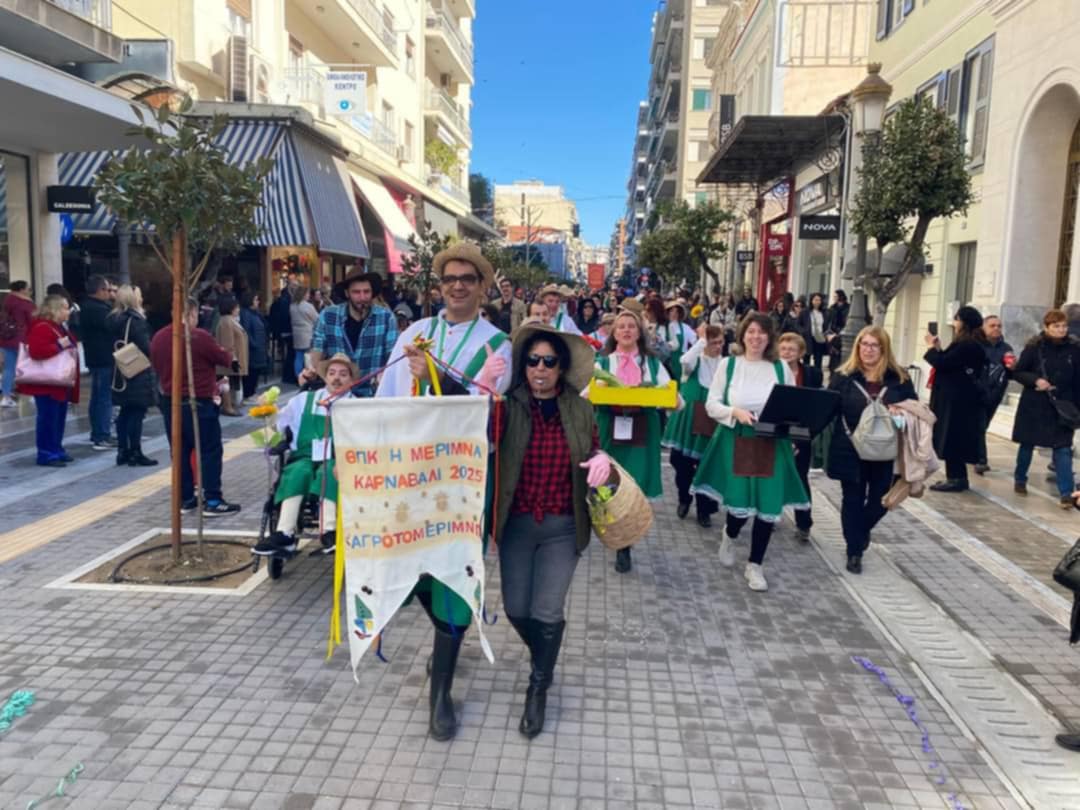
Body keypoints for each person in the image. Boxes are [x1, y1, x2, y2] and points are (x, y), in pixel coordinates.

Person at [376, 242, 512, 742]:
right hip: (414, 474)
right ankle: (443, 645)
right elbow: (386, 399)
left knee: (456, 574)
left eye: (467, 279)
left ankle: (441, 692)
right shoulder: (413, 335)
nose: (457, 286)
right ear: (439, 286)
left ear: (482, 287)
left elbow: (486, 410)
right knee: (413, 568)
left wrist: (435, 377)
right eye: (449, 279)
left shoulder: (499, 345)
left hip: (463, 478)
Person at [495, 321, 609, 738]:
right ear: (523, 366)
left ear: (561, 368)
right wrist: (486, 391)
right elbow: (478, 441)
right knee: (515, 609)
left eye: (549, 362)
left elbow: (593, 447)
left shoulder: (580, 408)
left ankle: (538, 686)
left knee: (547, 610)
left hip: (563, 524)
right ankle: (545, 654)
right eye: (532, 361)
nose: (540, 369)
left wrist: (602, 459)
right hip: (517, 523)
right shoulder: (506, 406)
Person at [691, 313, 807, 592]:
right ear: (743, 335)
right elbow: (712, 404)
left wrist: (792, 435)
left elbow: (792, 406)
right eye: (751, 331)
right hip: (737, 439)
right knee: (740, 505)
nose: (756, 337)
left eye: (762, 332)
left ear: (770, 337)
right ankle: (730, 534)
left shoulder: (781, 368)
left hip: (771, 443)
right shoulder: (729, 365)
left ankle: (755, 565)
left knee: (767, 505)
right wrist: (735, 412)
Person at [827, 325, 916, 573]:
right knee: (852, 499)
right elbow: (828, 409)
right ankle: (854, 551)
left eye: (874, 345)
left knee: (881, 500)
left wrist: (900, 413)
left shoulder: (899, 379)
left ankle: (861, 530)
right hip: (850, 447)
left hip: (885, 450)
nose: (868, 350)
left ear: (884, 349)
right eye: (863, 344)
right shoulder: (844, 377)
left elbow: (914, 409)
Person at [253, 353, 359, 557]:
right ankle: (285, 533)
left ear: (351, 380)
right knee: (297, 471)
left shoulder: (356, 406)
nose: (336, 378)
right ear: (325, 376)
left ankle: (329, 531)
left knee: (329, 473)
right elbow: (279, 425)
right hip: (304, 455)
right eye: (332, 373)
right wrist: (267, 410)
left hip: (337, 459)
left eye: (343, 374)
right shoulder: (304, 400)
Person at [593, 308, 674, 573]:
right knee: (609, 484)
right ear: (613, 333)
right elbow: (586, 393)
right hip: (610, 428)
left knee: (634, 486)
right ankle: (611, 533)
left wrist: (667, 398)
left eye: (631, 326)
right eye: (621, 326)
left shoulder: (653, 364)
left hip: (643, 429)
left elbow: (673, 396)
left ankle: (624, 546)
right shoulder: (602, 364)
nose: (626, 330)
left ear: (639, 333)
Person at [150, 298, 241, 516]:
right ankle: (213, 499)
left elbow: (156, 365)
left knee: (179, 452)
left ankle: (185, 499)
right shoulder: (198, 336)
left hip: (170, 402)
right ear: (191, 313)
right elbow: (224, 358)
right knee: (209, 450)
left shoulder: (159, 338)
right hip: (199, 401)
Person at [1011, 309, 1080, 505]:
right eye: (1056, 326)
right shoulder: (1035, 347)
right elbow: (1019, 372)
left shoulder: (1074, 349)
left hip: (1063, 406)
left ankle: (1066, 493)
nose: (1061, 330)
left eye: (1064, 326)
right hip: (1036, 404)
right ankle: (1020, 478)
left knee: (1063, 448)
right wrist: (1035, 380)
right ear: (1046, 327)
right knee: (1027, 444)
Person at [662, 324, 724, 527]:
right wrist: (701, 341)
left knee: (707, 465)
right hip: (689, 419)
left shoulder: (725, 364)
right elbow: (684, 361)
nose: (717, 346)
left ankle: (704, 509)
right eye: (713, 342)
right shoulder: (695, 361)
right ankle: (684, 497)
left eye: (720, 342)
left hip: (712, 418)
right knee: (681, 462)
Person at [924, 306, 987, 492]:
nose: (954, 323)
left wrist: (930, 348)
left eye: (957, 319)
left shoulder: (968, 344)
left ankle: (956, 479)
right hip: (956, 397)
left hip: (958, 400)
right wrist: (938, 348)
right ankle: (956, 477)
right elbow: (949, 361)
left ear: (964, 322)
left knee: (952, 438)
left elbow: (943, 363)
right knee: (951, 437)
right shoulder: (966, 343)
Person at [305, 271, 398, 398]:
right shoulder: (328, 315)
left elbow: (392, 355)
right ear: (347, 293)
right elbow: (318, 348)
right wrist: (313, 370)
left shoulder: (386, 317)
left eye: (366, 292)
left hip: (372, 393)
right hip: (337, 393)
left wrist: (385, 374)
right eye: (356, 292)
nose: (362, 297)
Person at [17, 295, 79, 466]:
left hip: (58, 381)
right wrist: (59, 346)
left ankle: (56, 449)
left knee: (57, 417)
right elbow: (37, 351)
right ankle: (46, 453)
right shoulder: (42, 327)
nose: (68, 311)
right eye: (65, 308)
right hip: (47, 382)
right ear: (55, 309)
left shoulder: (57, 327)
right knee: (48, 418)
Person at [778, 332, 821, 541]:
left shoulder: (812, 374)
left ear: (801, 352)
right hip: (777, 429)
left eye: (791, 349)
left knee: (800, 477)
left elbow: (815, 402)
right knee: (775, 474)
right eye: (783, 349)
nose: (787, 353)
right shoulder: (771, 370)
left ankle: (804, 523)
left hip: (802, 430)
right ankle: (771, 513)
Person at [108, 285, 157, 467]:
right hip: (137, 370)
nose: (142, 299)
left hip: (119, 371)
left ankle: (123, 451)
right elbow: (146, 347)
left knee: (125, 412)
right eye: (139, 296)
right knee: (137, 411)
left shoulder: (113, 319)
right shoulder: (136, 321)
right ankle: (135, 451)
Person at [79, 275, 118, 450]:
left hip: (97, 358)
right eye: (109, 290)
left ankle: (98, 432)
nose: (111, 293)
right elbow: (113, 325)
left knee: (98, 397)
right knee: (104, 398)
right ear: (100, 290)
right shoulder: (98, 309)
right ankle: (102, 434)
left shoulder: (89, 306)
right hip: (103, 358)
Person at [975, 314, 1014, 475]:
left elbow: (1010, 372)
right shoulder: (976, 345)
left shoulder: (1006, 348)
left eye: (999, 326)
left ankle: (974, 454)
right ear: (983, 327)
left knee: (983, 425)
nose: (996, 328)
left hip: (995, 393)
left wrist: (1012, 367)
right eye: (992, 325)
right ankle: (981, 460)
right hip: (977, 392)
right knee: (979, 425)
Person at [1, 280, 35, 407]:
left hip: (6, 339)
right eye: (28, 288)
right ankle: (33, 394)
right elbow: (32, 320)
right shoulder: (25, 303)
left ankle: (6, 397)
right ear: (22, 290)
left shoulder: (6, 300)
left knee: (8, 368)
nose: (30, 291)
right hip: (23, 339)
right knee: (30, 367)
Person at [214, 294, 248, 417]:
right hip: (230, 359)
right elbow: (227, 343)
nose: (238, 309)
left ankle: (231, 405)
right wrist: (232, 359)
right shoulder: (226, 322)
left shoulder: (231, 320)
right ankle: (227, 406)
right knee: (227, 382)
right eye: (236, 307)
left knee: (232, 382)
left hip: (234, 358)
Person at [239, 291, 268, 402]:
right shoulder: (246, 314)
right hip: (253, 347)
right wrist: (253, 343)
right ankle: (248, 393)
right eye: (256, 299)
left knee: (256, 370)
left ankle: (252, 391)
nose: (258, 302)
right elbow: (246, 331)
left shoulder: (255, 313)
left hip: (259, 345)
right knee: (252, 370)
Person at [659, 300, 696, 379]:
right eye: (672, 311)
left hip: (682, 363)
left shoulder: (685, 327)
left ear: (680, 314)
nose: (674, 314)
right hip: (667, 363)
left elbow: (694, 341)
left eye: (677, 312)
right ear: (667, 313)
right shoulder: (662, 328)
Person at [289, 285, 318, 380]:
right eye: (307, 293)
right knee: (308, 356)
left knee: (298, 356)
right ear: (303, 294)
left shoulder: (292, 306)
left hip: (296, 334)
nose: (309, 295)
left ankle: (298, 376)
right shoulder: (308, 306)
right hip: (307, 333)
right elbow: (317, 319)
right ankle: (308, 376)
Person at [268, 284, 295, 385]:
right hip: (286, 330)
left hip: (279, 330)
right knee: (292, 352)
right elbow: (285, 317)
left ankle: (288, 375)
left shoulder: (278, 302)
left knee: (291, 352)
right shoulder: (286, 302)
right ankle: (289, 375)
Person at [801, 293, 830, 370]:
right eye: (815, 300)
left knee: (818, 359)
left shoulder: (824, 312)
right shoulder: (805, 312)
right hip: (808, 337)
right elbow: (798, 324)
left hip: (819, 338)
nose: (817, 302)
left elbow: (825, 325)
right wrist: (804, 331)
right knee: (806, 358)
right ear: (811, 301)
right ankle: (806, 374)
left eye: (819, 300)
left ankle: (817, 374)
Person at [825, 289, 849, 370]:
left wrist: (837, 334)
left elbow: (847, 323)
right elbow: (828, 322)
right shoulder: (832, 308)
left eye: (835, 296)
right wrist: (828, 334)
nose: (834, 298)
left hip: (842, 333)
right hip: (832, 333)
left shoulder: (848, 308)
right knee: (833, 356)